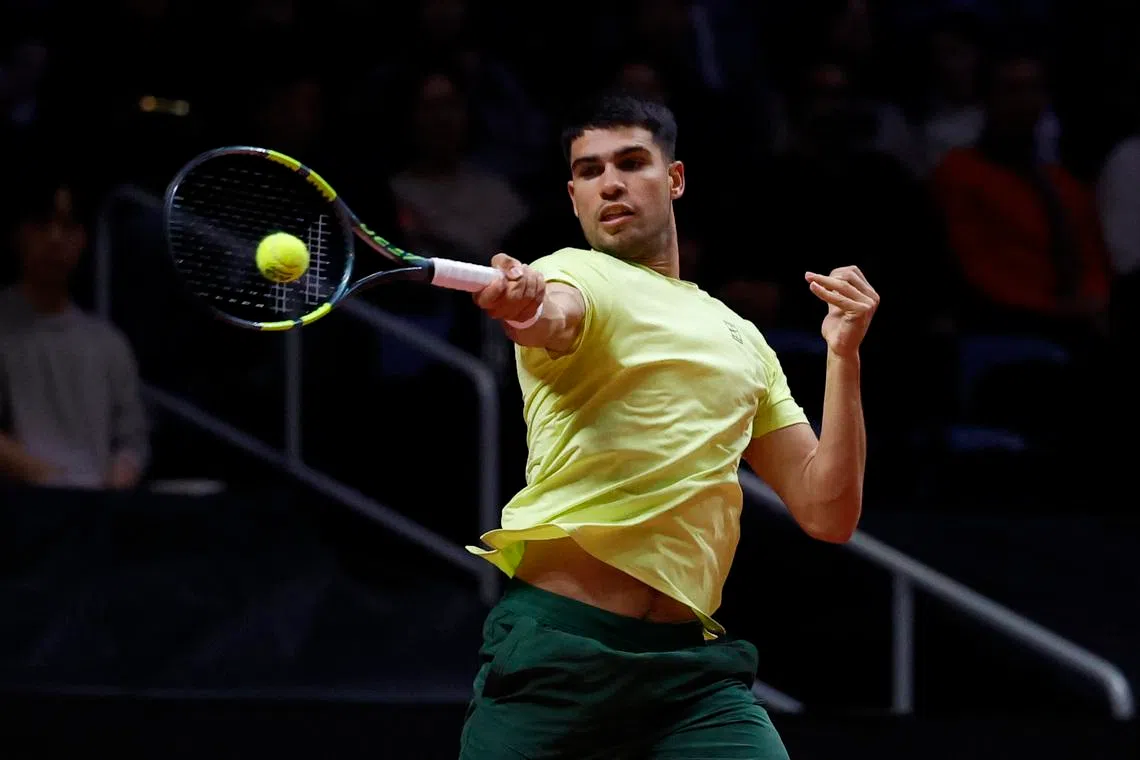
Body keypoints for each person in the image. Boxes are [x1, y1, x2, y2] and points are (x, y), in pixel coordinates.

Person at [460, 94, 876, 758]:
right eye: (590, 171)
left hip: (689, 679)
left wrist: (843, 354)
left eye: (631, 162)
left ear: (675, 179)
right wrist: (525, 304)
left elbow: (828, 513)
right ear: (573, 196)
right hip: (559, 659)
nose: (611, 183)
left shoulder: (741, 338)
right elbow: (551, 315)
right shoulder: (572, 273)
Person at [0, 170, 149, 489]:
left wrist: (112, 486)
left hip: (92, 520)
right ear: (19, 234)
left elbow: (132, 440)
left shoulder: (108, 343)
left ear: (82, 238)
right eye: (42, 224)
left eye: (67, 226)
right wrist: (48, 479)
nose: (55, 238)